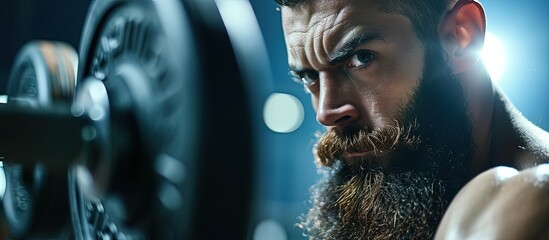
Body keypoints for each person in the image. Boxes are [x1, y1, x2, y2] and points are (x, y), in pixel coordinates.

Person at [276, 0, 549, 239]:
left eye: (361, 58)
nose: (326, 112)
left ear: (461, 36)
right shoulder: (419, 206)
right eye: (309, 77)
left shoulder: (531, 206)